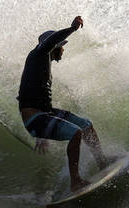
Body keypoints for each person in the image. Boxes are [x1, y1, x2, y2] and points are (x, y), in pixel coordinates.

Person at [17, 15, 109, 191]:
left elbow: (28, 95)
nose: (63, 50)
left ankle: (102, 163)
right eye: (61, 47)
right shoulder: (39, 54)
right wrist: (72, 28)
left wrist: (41, 135)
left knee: (86, 125)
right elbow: (49, 42)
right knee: (75, 133)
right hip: (35, 119)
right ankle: (76, 181)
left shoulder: (41, 64)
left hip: (44, 114)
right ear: (54, 47)